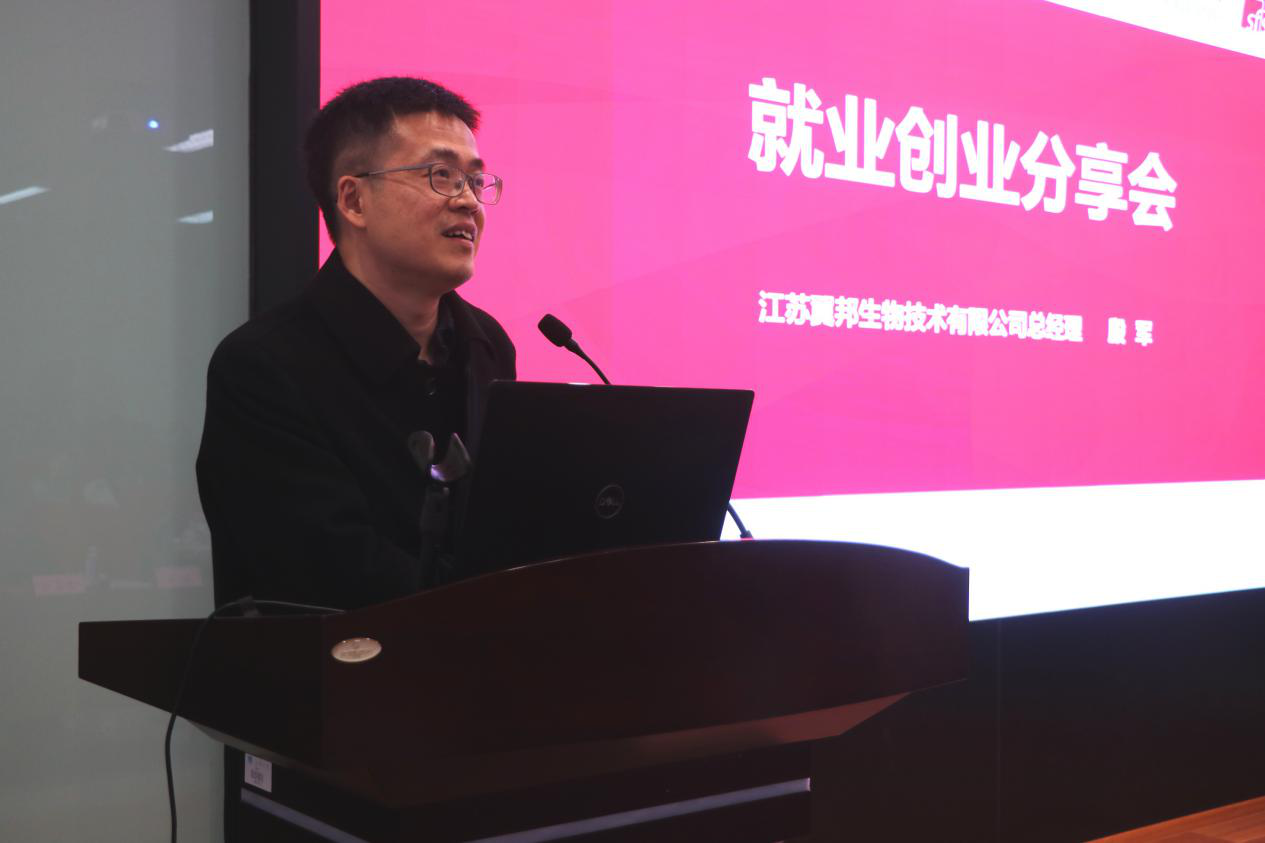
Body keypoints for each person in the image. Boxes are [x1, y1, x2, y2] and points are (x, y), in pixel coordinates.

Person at [196, 76, 515, 613]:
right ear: (354, 200)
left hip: (482, 655)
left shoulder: (486, 347)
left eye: (475, 180)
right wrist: (494, 607)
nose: (467, 201)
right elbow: (322, 568)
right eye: (440, 175)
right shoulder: (264, 365)